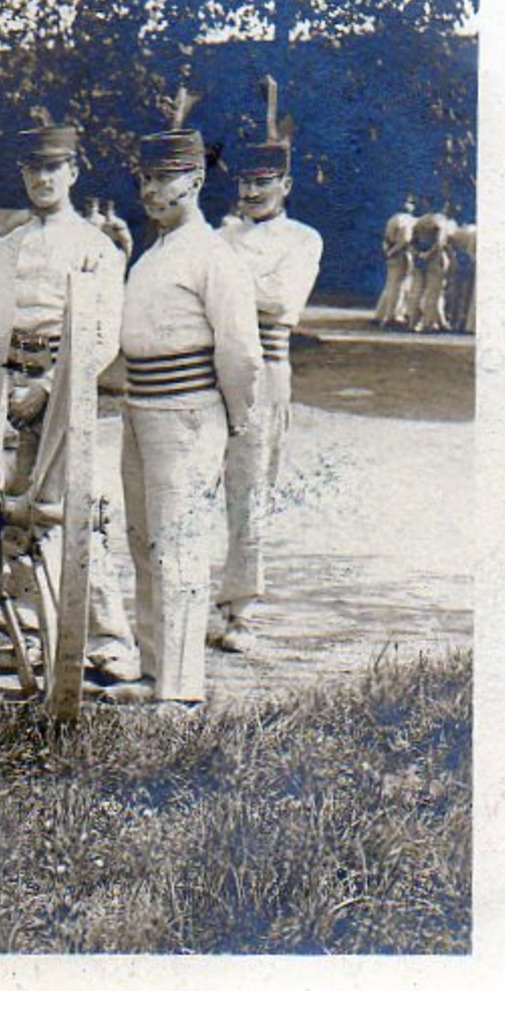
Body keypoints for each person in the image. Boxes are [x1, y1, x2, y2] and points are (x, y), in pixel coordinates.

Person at [104, 125, 261, 706]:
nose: (151, 188)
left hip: (188, 411)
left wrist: (235, 420)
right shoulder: (155, 252)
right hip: (140, 407)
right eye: (145, 177)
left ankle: (180, 689)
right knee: (145, 541)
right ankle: (152, 672)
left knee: (178, 546)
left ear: (195, 179)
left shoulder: (214, 255)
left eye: (165, 177)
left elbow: (241, 351)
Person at [0, 123, 138, 680]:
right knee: (7, 514)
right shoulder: (8, 243)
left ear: (73, 173)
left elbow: (103, 336)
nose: (42, 179)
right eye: (33, 169)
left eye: (53, 169)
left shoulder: (95, 247)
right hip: (6, 385)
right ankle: (28, 632)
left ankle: (109, 638)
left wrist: (50, 388)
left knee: (70, 514)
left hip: (62, 389)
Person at [214, 136, 324, 653]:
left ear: (286, 185)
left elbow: (280, 302)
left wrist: (220, 286)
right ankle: (191, 600)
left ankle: (242, 609)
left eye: (263, 181)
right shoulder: (221, 234)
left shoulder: (303, 239)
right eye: (244, 180)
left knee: (250, 490)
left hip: (263, 371)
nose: (252, 190)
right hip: (207, 370)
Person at [405, 210, 454, 334]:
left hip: (419, 258)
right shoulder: (440, 222)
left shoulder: (419, 221)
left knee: (416, 291)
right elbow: (439, 243)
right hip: (435, 259)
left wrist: (418, 254)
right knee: (433, 293)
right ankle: (427, 323)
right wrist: (428, 254)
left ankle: (413, 321)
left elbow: (411, 242)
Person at [372, 197, 417, 327]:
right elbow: (405, 240)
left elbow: (385, 239)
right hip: (402, 254)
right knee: (399, 286)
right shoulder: (408, 220)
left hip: (392, 254)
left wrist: (387, 252)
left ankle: (380, 314)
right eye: (409, 203)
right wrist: (393, 251)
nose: (410, 205)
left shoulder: (393, 218)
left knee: (390, 285)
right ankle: (393, 316)